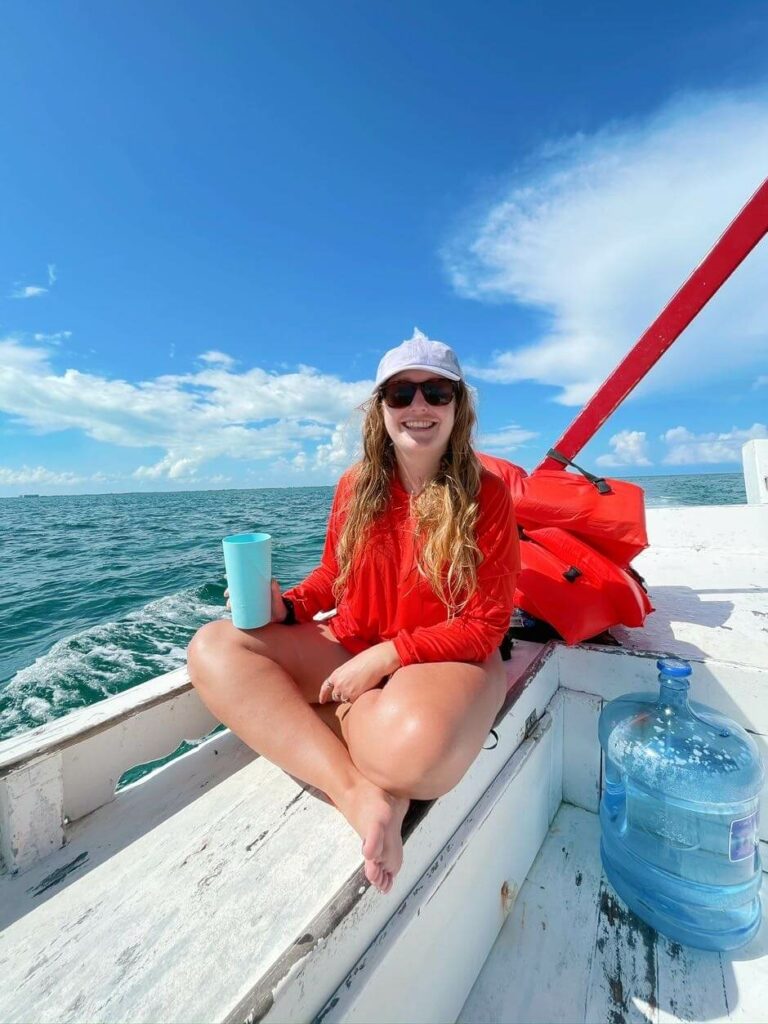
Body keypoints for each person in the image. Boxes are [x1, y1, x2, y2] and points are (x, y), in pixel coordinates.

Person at [187, 329, 520, 895]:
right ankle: (356, 792)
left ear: (458, 407)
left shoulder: (486, 494)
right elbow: (332, 579)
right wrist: (287, 605)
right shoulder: (356, 486)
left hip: (441, 657)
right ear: (381, 409)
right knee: (214, 648)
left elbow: (485, 623)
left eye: (437, 392)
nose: (419, 406)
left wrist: (389, 656)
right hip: (351, 644)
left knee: (420, 758)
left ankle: (332, 717)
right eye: (401, 394)